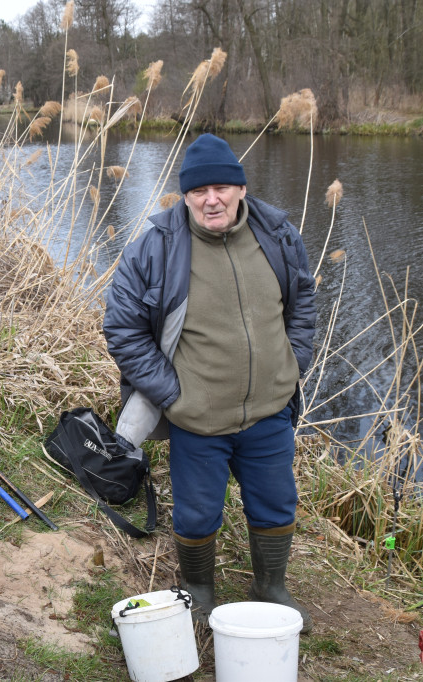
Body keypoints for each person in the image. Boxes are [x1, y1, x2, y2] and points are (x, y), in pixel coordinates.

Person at [103, 133, 317, 631]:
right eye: (199, 191)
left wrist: (293, 362)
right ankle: (199, 589)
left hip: (270, 411)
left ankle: (271, 587)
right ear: (186, 196)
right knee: (197, 513)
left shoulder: (278, 235)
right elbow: (122, 329)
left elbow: (302, 299)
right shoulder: (155, 249)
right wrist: (173, 394)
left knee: (276, 505)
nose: (211, 200)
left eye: (221, 187)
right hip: (197, 418)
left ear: (241, 188)